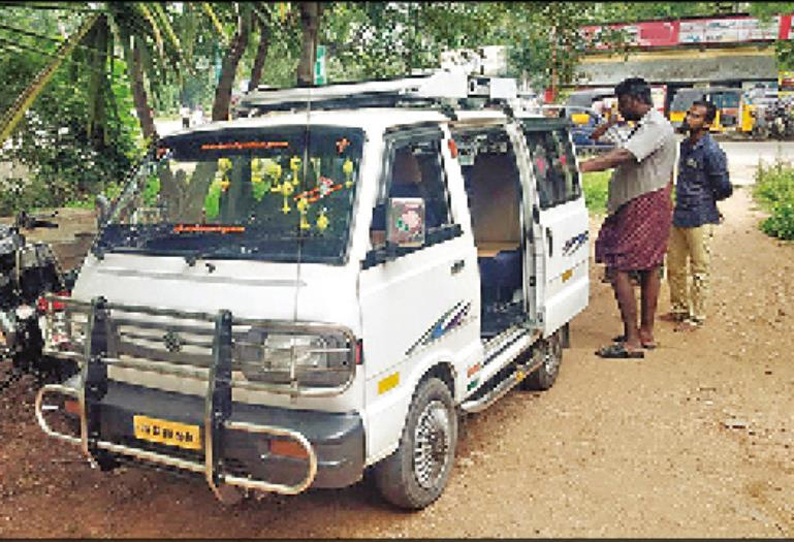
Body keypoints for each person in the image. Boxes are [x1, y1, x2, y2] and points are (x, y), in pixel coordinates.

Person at [578, 77, 677, 359]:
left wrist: (581, 167)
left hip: (642, 203)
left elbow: (622, 155)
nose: (622, 110)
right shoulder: (648, 126)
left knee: (620, 266)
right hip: (647, 201)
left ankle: (632, 340)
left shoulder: (655, 127)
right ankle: (644, 332)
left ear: (634, 100)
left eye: (623, 103)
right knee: (649, 267)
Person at [661, 100, 732, 332]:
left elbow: (724, 186)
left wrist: (707, 201)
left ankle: (696, 316)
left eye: (696, 116)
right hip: (680, 213)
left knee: (699, 269)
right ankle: (680, 308)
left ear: (707, 124)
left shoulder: (711, 151)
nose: (689, 118)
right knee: (675, 265)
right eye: (690, 114)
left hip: (700, 216)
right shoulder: (686, 146)